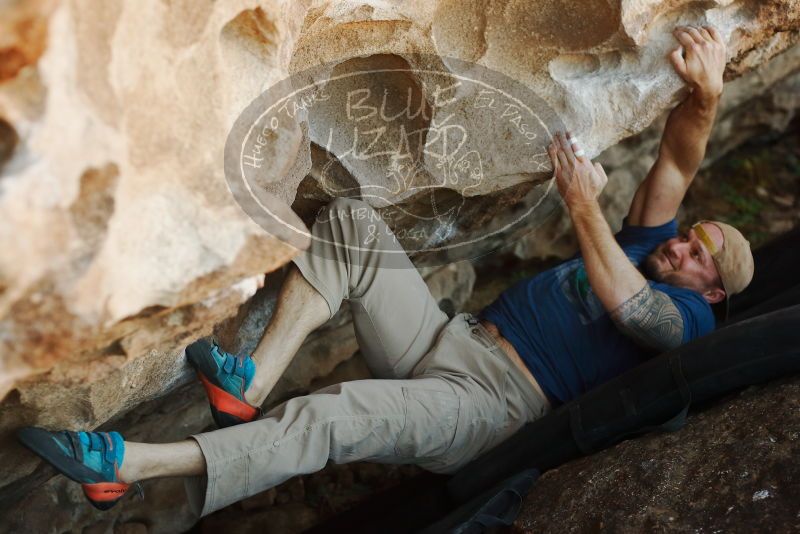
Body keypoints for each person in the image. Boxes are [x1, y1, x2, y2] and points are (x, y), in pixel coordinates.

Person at [17, 25, 754, 515]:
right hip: (447, 339)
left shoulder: (687, 320)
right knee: (351, 223)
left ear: (712, 291)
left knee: (334, 415)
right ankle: (251, 384)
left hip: (492, 407)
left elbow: (635, 314)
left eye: (698, 259)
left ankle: (130, 466)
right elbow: (678, 159)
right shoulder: (646, 244)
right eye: (690, 238)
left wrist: (583, 207)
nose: (682, 249)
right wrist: (710, 93)